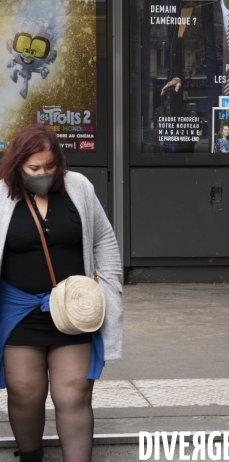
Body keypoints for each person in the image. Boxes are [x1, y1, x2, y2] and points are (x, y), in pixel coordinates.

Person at [0, 124, 123, 462]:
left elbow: (104, 240)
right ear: (17, 165)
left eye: (50, 167)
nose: (44, 174)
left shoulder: (78, 187)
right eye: (34, 169)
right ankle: (30, 456)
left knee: (75, 393)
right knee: (25, 392)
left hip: (73, 310)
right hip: (20, 310)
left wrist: (110, 287)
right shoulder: (2, 195)